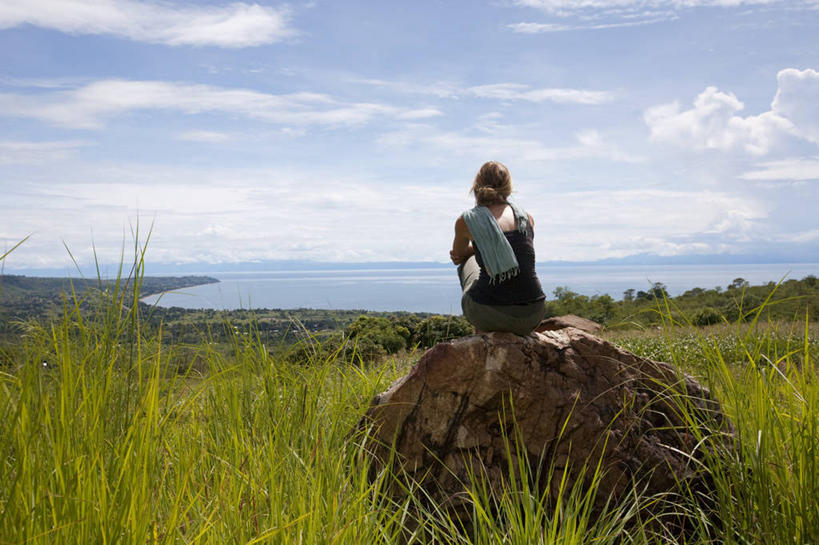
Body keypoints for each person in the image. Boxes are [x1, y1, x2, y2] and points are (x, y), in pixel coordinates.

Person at [450, 161, 546, 335]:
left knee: (467, 261)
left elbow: (458, 255)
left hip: (490, 315)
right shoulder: (526, 218)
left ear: (476, 185)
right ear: (508, 186)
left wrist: (470, 250)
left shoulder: (467, 219)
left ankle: (483, 337)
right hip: (534, 314)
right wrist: (477, 246)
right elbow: (513, 248)